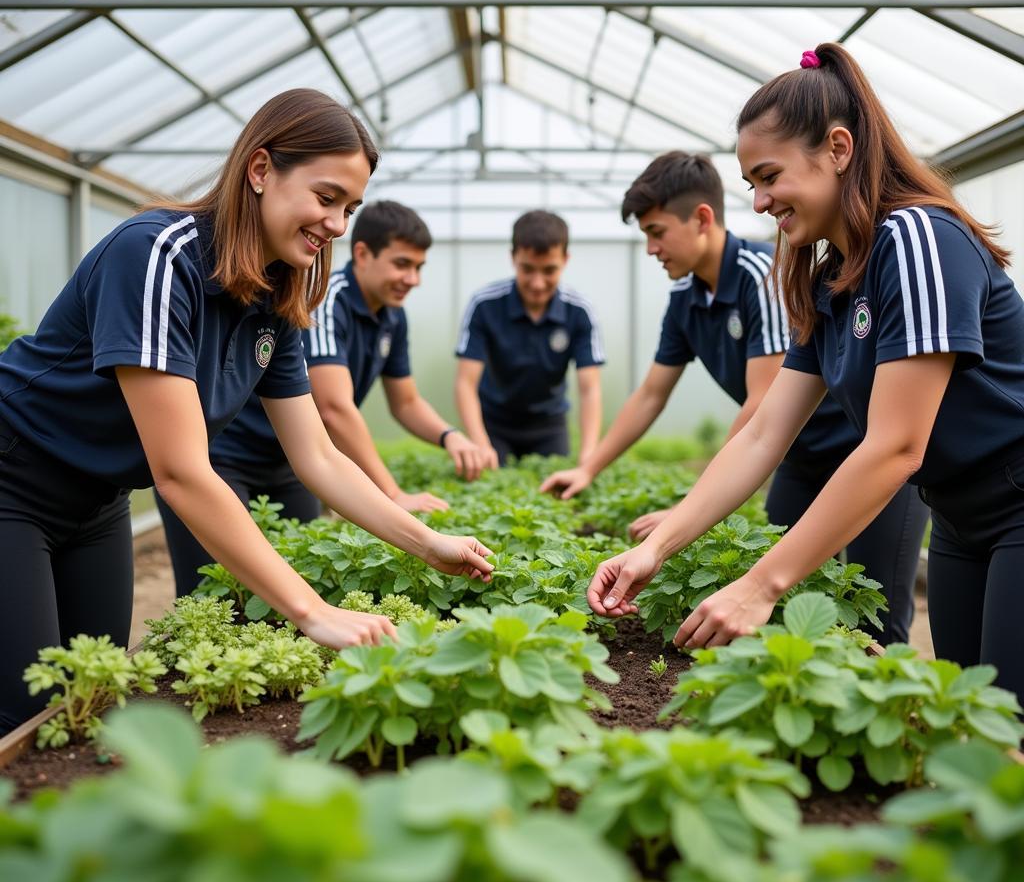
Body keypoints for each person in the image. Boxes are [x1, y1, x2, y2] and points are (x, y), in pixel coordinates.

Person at [0, 89, 493, 734]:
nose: (339, 225)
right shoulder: (157, 254)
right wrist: (311, 611)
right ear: (260, 171)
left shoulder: (275, 292)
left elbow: (316, 455)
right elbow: (180, 471)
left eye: (350, 207)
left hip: (99, 499)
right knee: (28, 715)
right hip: (16, 480)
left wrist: (428, 544)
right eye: (326, 198)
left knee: (93, 698)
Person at [587, 44, 1024, 704]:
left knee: (1006, 722)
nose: (759, 202)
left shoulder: (916, 239)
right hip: (959, 516)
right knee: (970, 720)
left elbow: (896, 445)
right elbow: (765, 432)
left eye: (769, 176)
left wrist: (761, 584)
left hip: (1015, 498)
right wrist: (662, 545)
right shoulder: (828, 275)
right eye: (751, 185)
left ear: (838, 149)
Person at [541, 152, 928, 644]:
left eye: (657, 232)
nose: (651, 248)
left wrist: (691, 505)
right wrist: (589, 467)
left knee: (878, 619)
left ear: (702, 219)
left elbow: (761, 404)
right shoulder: (686, 297)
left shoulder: (759, 273)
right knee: (789, 606)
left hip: (867, 452)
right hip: (796, 456)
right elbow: (650, 395)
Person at [157, 199, 493, 596]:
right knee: (212, 591)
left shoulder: (392, 315)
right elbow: (333, 409)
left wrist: (449, 435)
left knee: (302, 578)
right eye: (403, 264)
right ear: (364, 254)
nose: (413, 279)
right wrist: (393, 493)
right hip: (223, 459)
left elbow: (405, 401)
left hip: (294, 463)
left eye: (419, 267)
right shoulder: (324, 298)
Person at [455, 210, 605, 465]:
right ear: (513, 258)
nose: (537, 283)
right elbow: (465, 383)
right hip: (493, 423)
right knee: (488, 482)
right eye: (527, 269)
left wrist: (589, 454)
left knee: (557, 491)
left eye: (549, 270)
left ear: (565, 260)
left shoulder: (579, 312)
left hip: (550, 426)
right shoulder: (485, 304)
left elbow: (590, 389)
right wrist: (480, 444)